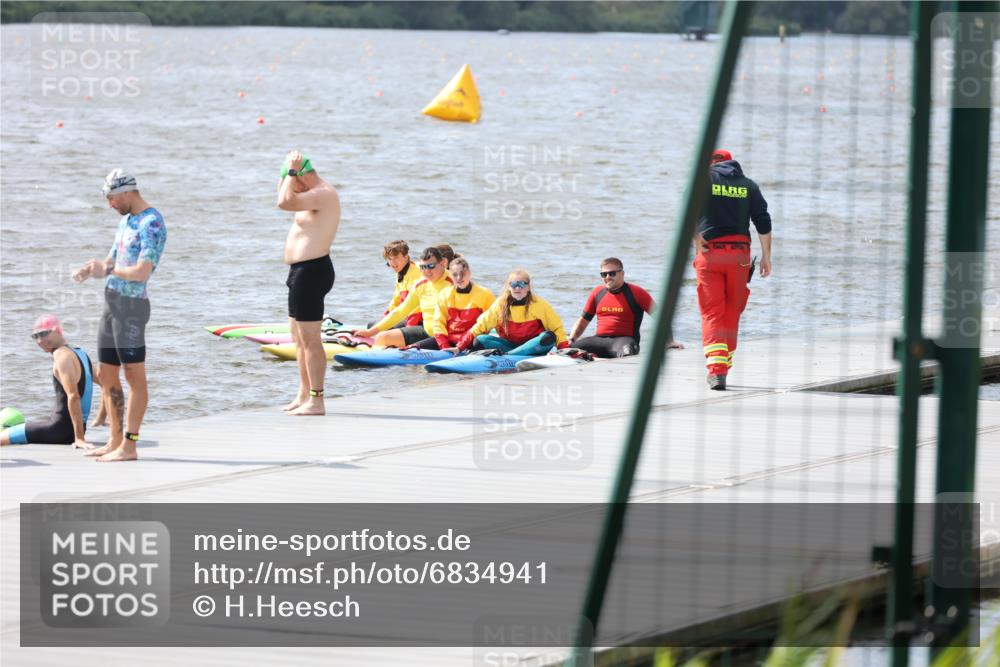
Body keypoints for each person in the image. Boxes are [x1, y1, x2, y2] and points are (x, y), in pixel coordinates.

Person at [72, 169, 166, 462]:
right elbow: (112, 260)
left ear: (126, 192)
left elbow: (141, 272)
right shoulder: (126, 221)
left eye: (111, 198)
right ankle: (114, 440)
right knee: (108, 373)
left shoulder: (151, 223)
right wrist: (93, 268)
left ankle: (130, 443)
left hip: (132, 309)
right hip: (112, 304)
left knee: (134, 377)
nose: (109, 204)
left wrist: (109, 270)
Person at [694, 149, 772, 390]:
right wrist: (766, 257)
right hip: (740, 254)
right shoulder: (748, 185)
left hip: (710, 253)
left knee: (712, 310)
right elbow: (763, 220)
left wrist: (697, 240)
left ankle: (717, 370)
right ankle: (724, 364)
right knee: (732, 309)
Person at [277, 151, 340, 416]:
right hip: (299, 272)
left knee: (311, 339)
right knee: (298, 338)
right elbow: (282, 196)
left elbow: (284, 203)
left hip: (312, 271)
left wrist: (290, 173)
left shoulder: (321, 194)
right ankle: (303, 393)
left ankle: (317, 399)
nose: (290, 185)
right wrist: (286, 173)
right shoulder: (309, 193)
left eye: (293, 179)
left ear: (302, 175)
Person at [1, 316, 94, 448]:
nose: (40, 341)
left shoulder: (61, 355)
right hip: (66, 430)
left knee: (3, 435)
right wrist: (104, 419)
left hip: (59, 430)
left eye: (44, 334)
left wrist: (79, 438)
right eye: (35, 336)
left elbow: (74, 396)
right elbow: (108, 385)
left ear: (57, 330)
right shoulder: (80, 353)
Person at [568, 258, 684, 358]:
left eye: (612, 273)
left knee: (627, 352)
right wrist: (572, 339)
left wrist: (670, 341)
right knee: (569, 350)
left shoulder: (637, 293)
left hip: (624, 341)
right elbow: (583, 320)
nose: (607, 277)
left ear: (622, 273)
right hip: (599, 340)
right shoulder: (597, 292)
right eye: (604, 274)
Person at [446, 269, 569, 356]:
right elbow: (480, 326)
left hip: (534, 347)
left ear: (528, 287)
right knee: (479, 339)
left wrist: (564, 352)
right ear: (509, 287)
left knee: (549, 337)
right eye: (514, 284)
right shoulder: (500, 304)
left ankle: (508, 355)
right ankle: (512, 354)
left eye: (522, 284)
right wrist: (459, 347)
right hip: (509, 345)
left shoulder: (539, 304)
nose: (517, 288)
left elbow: (557, 329)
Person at [355, 247, 453, 348]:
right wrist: (369, 333)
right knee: (382, 338)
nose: (427, 271)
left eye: (431, 266)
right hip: (426, 331)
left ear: (443, 263)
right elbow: (401, 311)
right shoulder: (420, 284)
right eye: (423, 267)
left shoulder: (455, 282)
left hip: (448, 335)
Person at [414, 256, 495, 350]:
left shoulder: (485, 294)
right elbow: (438, 322)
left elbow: (493, 320)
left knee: (479, 341)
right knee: (414, 349)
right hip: (450, 340)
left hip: (472, 341)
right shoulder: (445, 294)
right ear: (451, 276)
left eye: (462, 273)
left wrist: (460, 346)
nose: (459, 278)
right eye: (455, 274)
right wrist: (445, 347)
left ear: (469, 273)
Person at [379, 240, 423, 328]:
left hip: (421, 320)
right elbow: (396, 300)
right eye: (390, 259)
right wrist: (386, 316)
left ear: (406, 257)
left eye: (396, 258)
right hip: (406, 316)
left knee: (386, 329)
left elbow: (418, 305)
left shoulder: (417, 273)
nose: (392, 263)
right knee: (373, 325)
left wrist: (408, 329)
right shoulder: (400, 273)